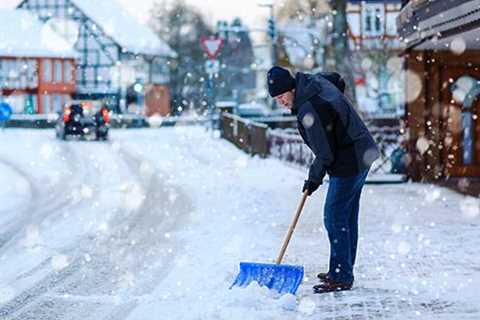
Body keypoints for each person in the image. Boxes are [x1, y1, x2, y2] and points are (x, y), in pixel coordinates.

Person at [267, 66, 379, 293]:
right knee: (345, 217)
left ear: (291, 88)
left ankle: (341, 276)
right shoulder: (312, 84)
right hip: (359, 152)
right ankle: (342, 270)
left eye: (281, 96)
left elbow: (325, 153)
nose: (280, 102)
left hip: (350, 160)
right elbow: (336, 79)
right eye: (276, 99)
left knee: (335, 216)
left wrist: (313, 179)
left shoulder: (309, 108)